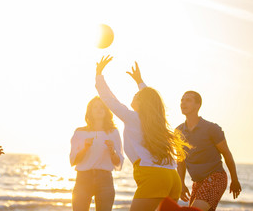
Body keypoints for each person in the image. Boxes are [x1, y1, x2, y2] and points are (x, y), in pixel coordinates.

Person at [95, 55, 189, 211]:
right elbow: (151, 99)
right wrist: (140, 82)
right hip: (172, 178)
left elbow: (109, 100)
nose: (134, 96)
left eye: (136, 96)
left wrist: (99, 76)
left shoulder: (132, 117)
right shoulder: (157, 121)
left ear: (141, 102)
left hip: (153, 177)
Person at [176, 90, 242, 211]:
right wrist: (181, 184)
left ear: (197, 105)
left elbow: (226, 154)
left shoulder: (211, 129)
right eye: (182, 100)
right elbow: (180, 160)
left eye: (188, 100)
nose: (183, 103)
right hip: (198, 182)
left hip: (216, 178)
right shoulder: (179, 131)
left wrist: (235, 179)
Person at [70, 96, 124, 211]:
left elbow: (118, 162)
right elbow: (73, 161)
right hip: (83, 179)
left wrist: (112, 151)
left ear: (106, 111)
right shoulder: (80, 132)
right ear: (90, 111)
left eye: (102, 107)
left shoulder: (112, 132)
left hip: (105, 180)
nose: (99, 110)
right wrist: (85, 148)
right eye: (95, 107)